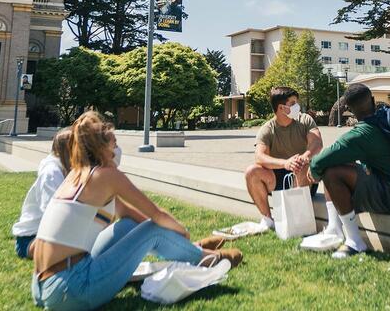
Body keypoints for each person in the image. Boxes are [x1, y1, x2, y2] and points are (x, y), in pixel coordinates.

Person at [30, 112, 241, 310]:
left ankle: (192, 249)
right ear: (103, 148)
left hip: (43, 287)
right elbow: (155, 215)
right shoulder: (106, 175)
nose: (117, 150)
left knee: (132, 225)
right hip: (70, 289)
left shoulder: (78, 175)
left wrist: (180, 241)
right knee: (154, 229)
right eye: (115, 145)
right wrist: (182, 232)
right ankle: (206, 257)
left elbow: (131, 215)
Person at [307, 83, 390, 259]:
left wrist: (314, 174)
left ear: (348, 109)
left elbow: (318, 162)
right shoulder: (384, 118)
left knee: (332, 172)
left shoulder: (362, 133)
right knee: (338, 161)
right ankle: (334, 228)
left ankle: (355, 241)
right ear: (372, 100)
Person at [245, 86, 323, 231]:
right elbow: (259, 157)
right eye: (293, 103)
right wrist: (286, 163)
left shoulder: (305, 120)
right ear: (281, 108)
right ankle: (268, 220)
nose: (297, 106)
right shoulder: (267, 128)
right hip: (278, 176)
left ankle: (297, 221)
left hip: (303, 176)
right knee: (251, 171)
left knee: (301, 164)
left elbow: (317, 142)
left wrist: (304, 157)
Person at [12, 128, 73, 259]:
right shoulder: (51, 173)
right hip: (30, 240)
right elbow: (52, 214)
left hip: (51, 236)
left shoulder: (66, 170)